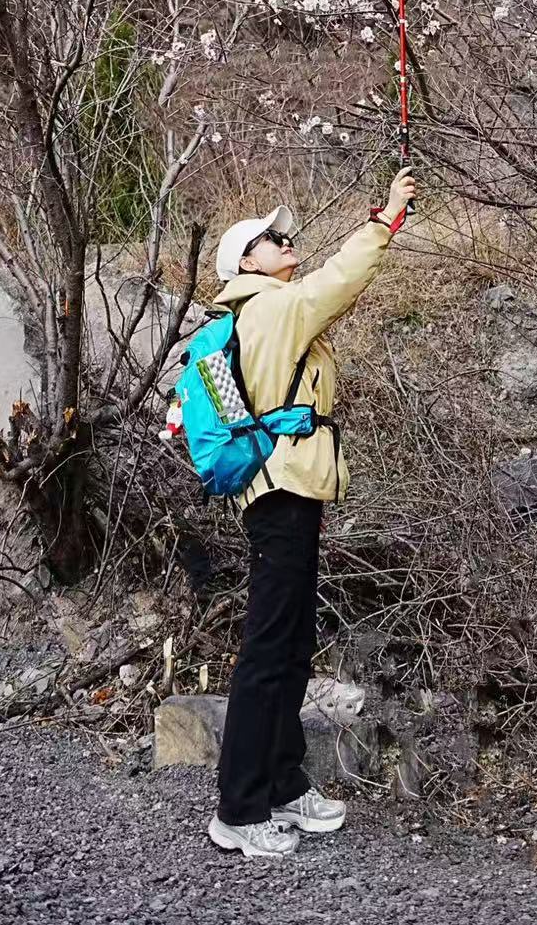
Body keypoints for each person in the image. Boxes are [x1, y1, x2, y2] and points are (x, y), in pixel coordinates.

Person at [207, 165, 416, 860]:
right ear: (246, 262)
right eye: (269, 238)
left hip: (292, 487)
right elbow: (338, 282)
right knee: (269, 648)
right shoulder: (270, 307)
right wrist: (385, 219)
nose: (283, 240)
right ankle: (238, 808)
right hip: (280, 490)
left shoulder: (268, 307)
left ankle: (282, 782)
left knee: (291, 643)